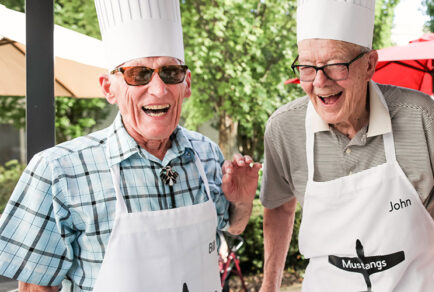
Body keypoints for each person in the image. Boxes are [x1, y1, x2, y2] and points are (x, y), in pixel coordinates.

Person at [0, 0, 261, 291]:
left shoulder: (207, 154)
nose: (159, 89)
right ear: (109, 88)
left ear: (186, 84)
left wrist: (242, 201)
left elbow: (232, 227)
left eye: (170, 73)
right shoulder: (58, 170)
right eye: (138, 74)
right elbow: (36, 287)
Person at [259, 1, 434, 291]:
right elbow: (280, 208)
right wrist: (269, 287)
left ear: (370, 64)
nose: (320, 82)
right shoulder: (284, 129)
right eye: (307, 67)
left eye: (335, 65)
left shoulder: (419, 116)